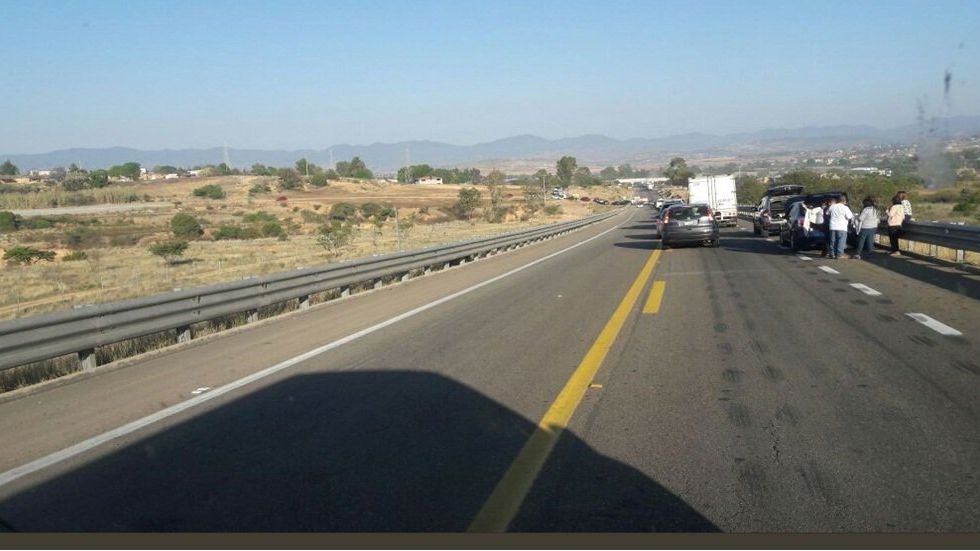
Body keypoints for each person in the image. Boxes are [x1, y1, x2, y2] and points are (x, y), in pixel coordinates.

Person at [826, 195, 853, 259]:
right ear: (844, 201)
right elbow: (849, 217)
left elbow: (827, 213)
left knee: (833, 241)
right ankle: (839, 255)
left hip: (832, 226)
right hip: (842, 227)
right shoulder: (845, 208)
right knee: (841, 241)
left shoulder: (832, 206)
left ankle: (832, 254)